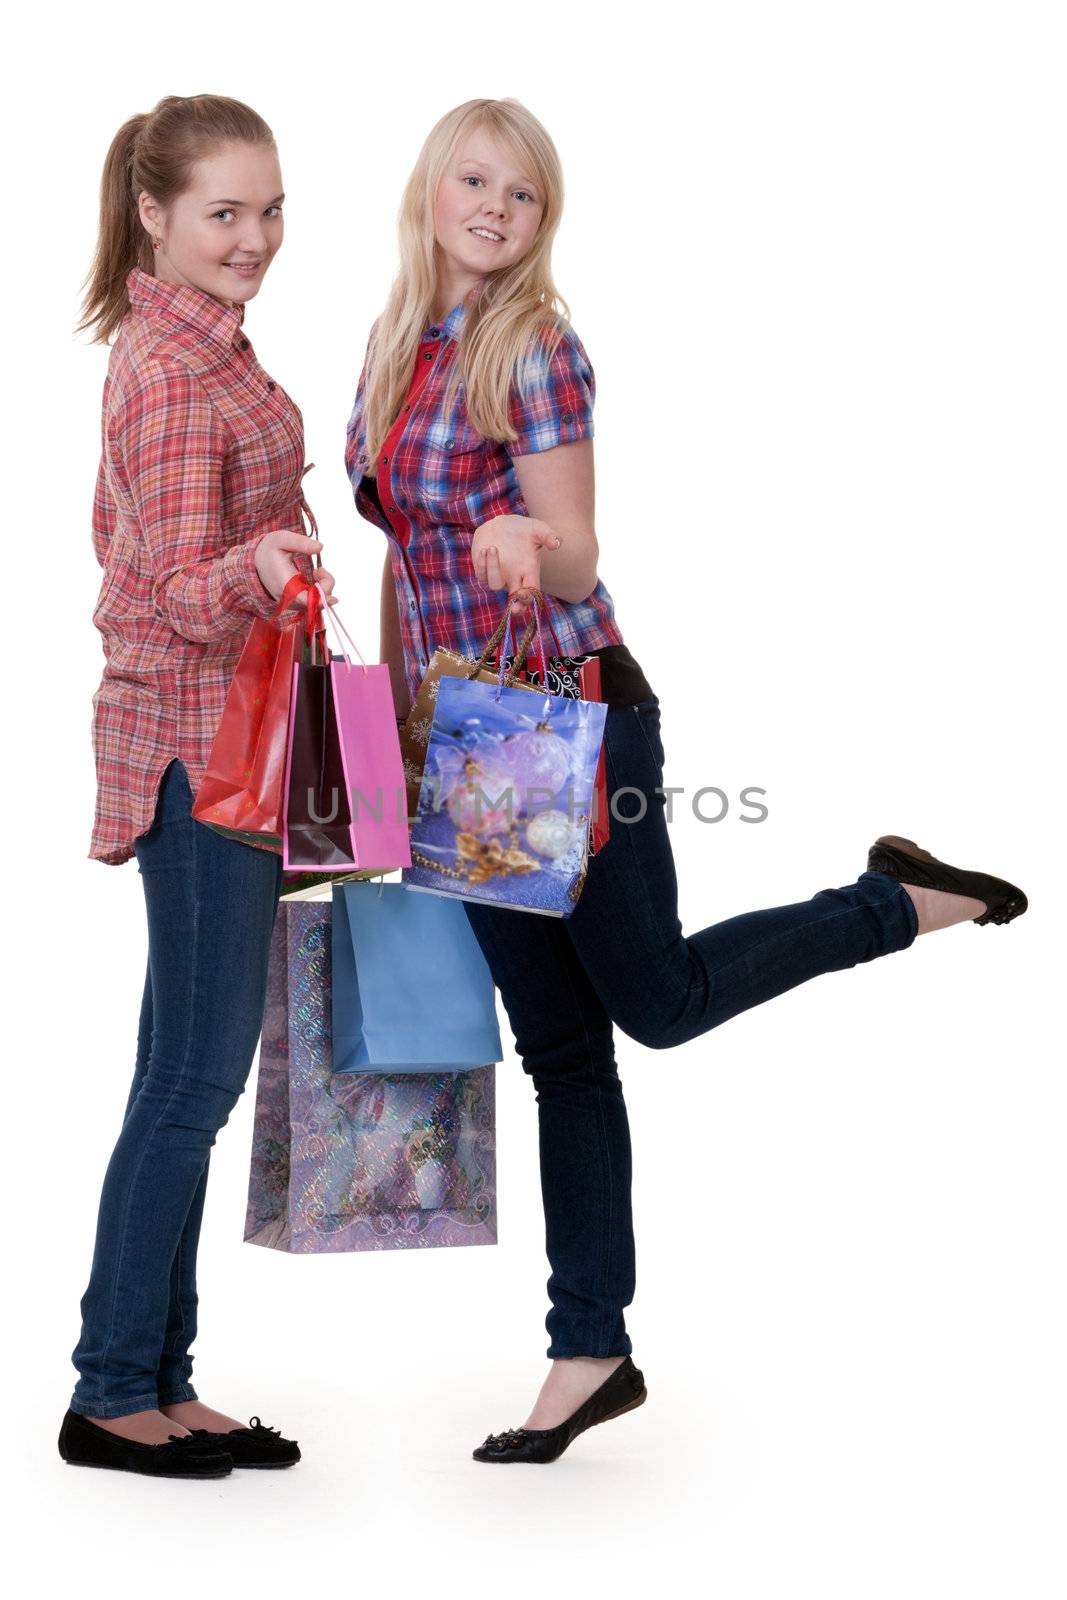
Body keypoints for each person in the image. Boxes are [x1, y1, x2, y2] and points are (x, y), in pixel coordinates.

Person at [344, 96, 1028, 1466]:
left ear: (545, 220)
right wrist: (394, 732)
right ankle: (588, 1352)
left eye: (524, 193)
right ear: (430, 190)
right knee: (562, 1054)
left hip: (570, 716)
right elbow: (398, 555)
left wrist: (525, 539)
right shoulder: (392, 344)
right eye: (475, 180)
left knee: (652, 1004)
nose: (495, 207)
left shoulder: (532, 347)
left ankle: (892, 902)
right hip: (461, 739)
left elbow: (584, 554)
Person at [61, 94, 337, 1479]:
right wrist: (264, 564)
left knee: (173, 1075)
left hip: (231, 743)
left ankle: (154, 1377)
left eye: (271, 208)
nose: (256, 237)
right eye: (225, 211)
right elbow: (169, 591)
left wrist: (278, 546)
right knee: (193, 1083)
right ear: (155, 215)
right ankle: (113, 1389)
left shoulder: (198, 343)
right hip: (198, 755)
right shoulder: (170, 371)